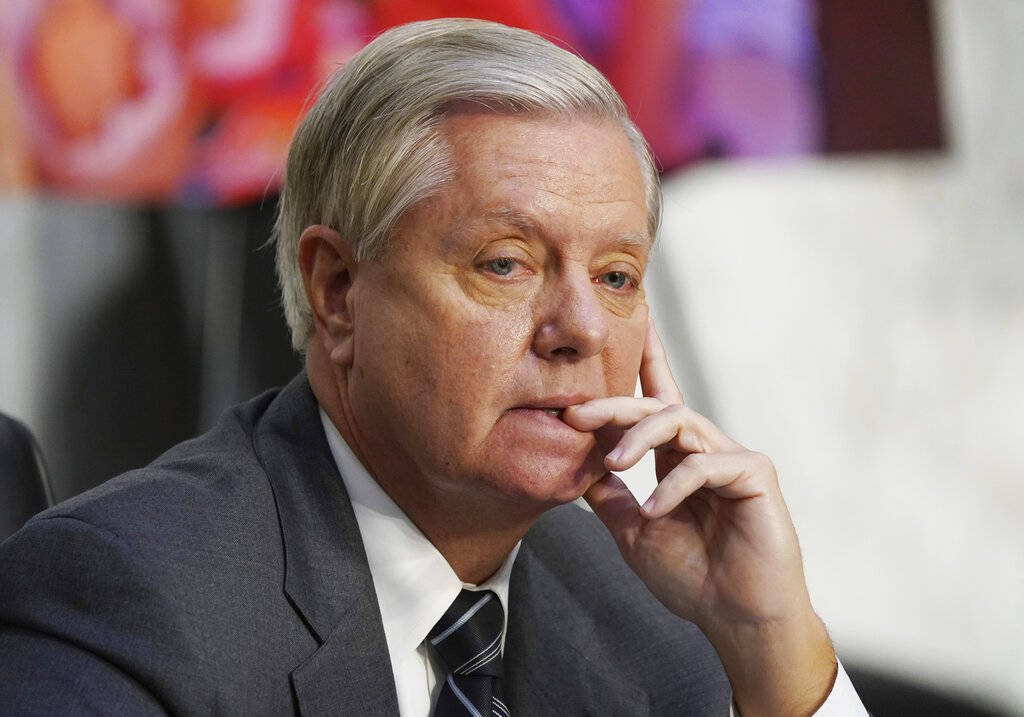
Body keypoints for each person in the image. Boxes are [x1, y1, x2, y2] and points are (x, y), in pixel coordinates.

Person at [0, 19, 866, 716]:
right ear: (339, 291)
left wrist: (771, 645)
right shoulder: (132, 598)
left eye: (615, 277)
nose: (578, 328)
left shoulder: (654, 606)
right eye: (505, 263)